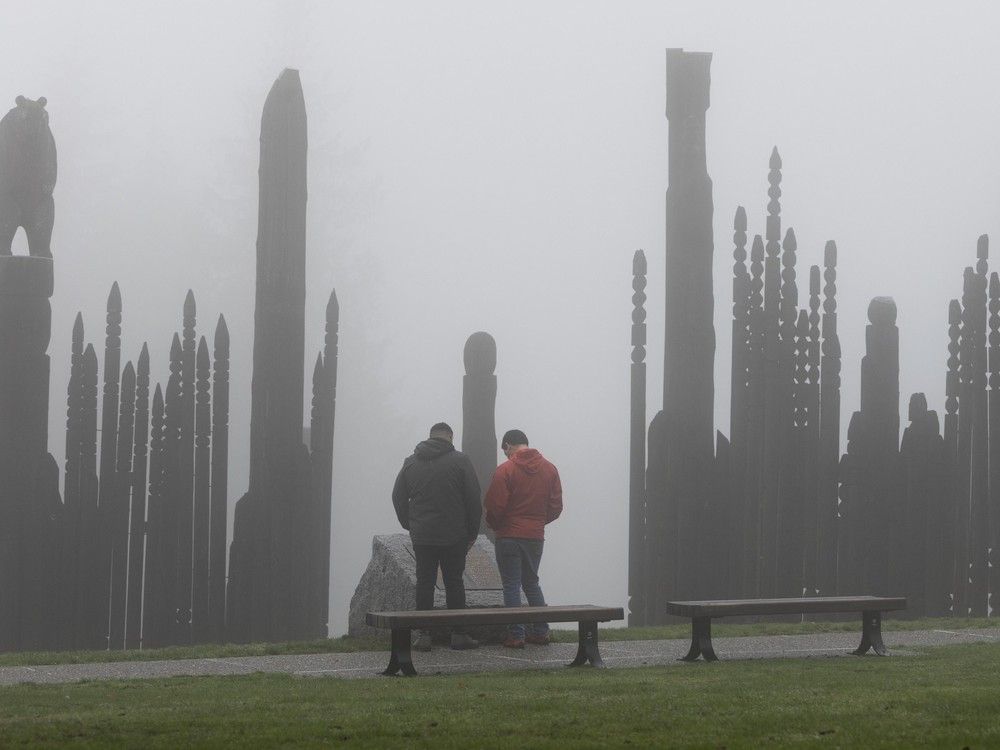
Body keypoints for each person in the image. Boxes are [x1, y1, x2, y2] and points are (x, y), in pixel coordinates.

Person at [392, 422, 482, 651]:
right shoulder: (461, 461)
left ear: (430, 436)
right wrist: (472, 532)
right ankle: (458, 634)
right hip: (454, 534)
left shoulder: (411, 462)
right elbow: (473, 498)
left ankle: (423, 635)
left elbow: (397, 496)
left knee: (424, 583)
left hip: (422, 535)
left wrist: (409, 523)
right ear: (450, 437)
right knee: (454, 582)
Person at [484, 428, 563, 648]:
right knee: (531, 583)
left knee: (511, 585)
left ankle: (516, 634)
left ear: (508, 446)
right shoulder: (550, 470)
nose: (506, 455)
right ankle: (541, 630)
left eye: (505, 451)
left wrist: (496, 525)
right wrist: (537, 523)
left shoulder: (505, 470)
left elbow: (495, 505)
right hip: (535, 537)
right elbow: (556, 506)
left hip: (509, 536)